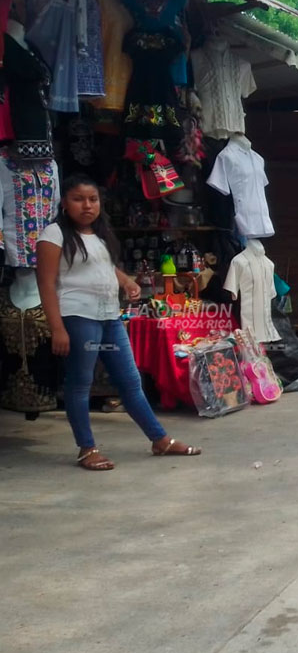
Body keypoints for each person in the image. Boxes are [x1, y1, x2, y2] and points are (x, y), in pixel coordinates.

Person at [36, 174, 202, 470]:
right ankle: (87, 449)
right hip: (78, 318)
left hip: (109, 317)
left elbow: (105, 267)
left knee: (130, 380)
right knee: (79, 383)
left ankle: (159, 439)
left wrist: (126, 282)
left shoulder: (99, 235)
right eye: (78, 199)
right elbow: (46, 284)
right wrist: (57, 327)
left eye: (93, 199)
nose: (87, 206)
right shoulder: (54, 234)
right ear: (65, 203)